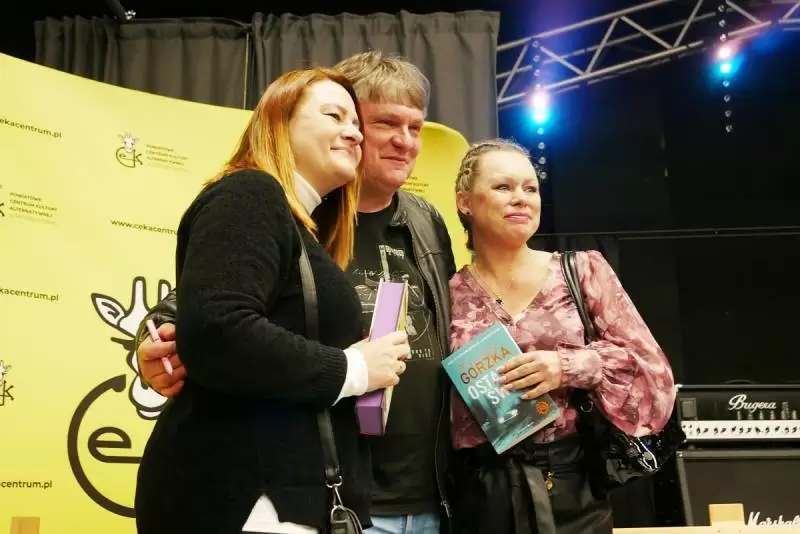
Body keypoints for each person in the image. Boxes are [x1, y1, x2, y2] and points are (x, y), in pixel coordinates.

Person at [134, 51, 456, 534]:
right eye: (381, 123)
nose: (402, 140)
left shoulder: (421, 221)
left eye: (415, 127)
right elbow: (213, 318)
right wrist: (159, 338)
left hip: (383, 489)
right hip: (269, 487)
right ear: (282, 121)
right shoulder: (261, 194)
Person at [447, 139, 677, 533]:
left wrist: (567, 366)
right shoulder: (447, 293)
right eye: (503, 187)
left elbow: (654, 375)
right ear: (465, 202)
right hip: (481, 493)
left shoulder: (581, 271)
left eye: (530, 188)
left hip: (574, 487)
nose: (521, 198)